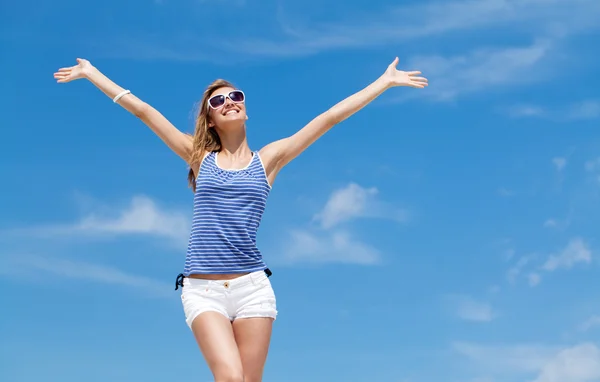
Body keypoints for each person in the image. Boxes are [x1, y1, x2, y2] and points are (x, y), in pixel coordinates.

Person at [53, 57, 428, 382]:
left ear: (245, 109)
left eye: (236, 96)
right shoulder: (200, 158)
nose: (229, 102)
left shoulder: (268, 160)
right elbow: (144, 111)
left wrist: (384, 82)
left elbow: (329, 118)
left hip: (252, 289)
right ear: (211, 119)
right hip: (203, 290)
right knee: (229, 376)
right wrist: (92, 74)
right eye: (218, 101)